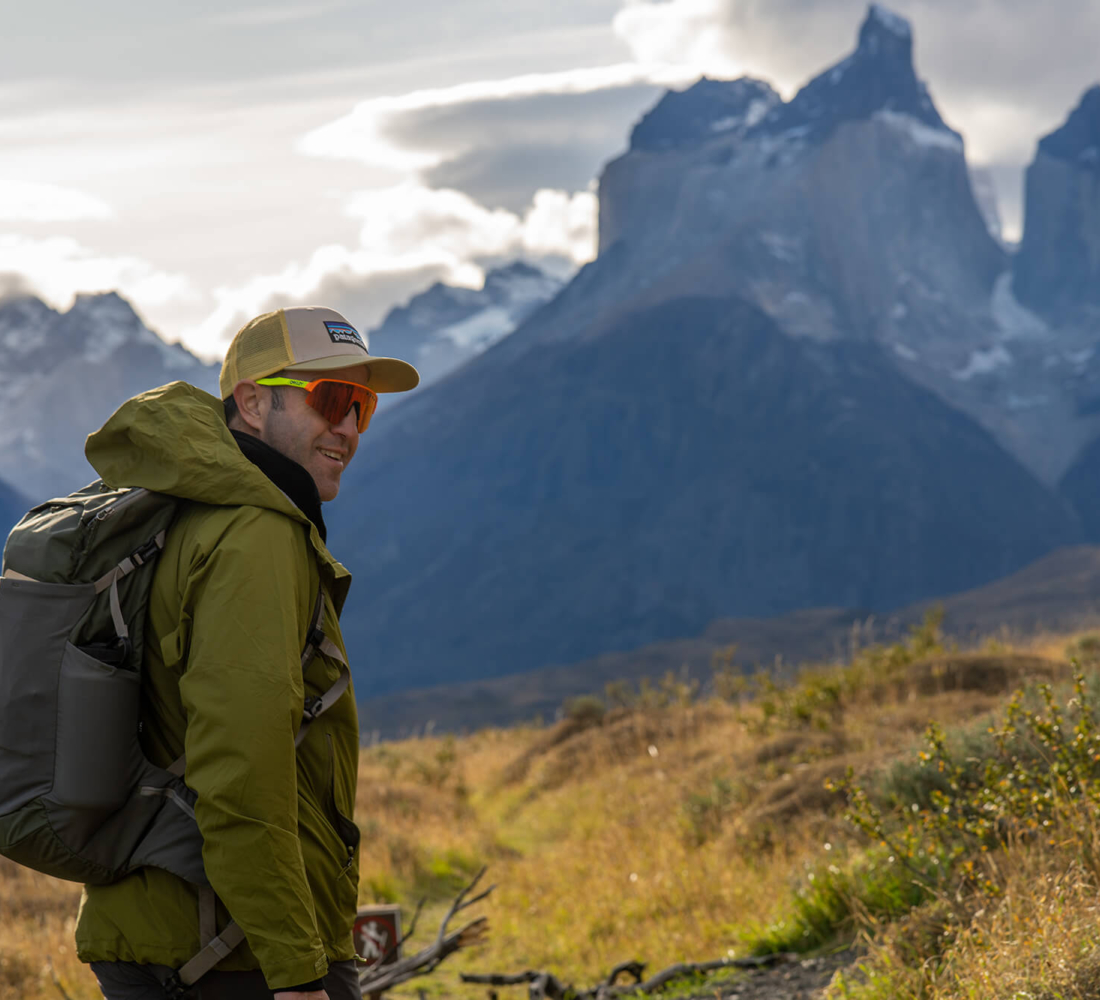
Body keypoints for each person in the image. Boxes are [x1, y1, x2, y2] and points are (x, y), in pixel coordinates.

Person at [74, 306, 419, 999]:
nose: (348, 429)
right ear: (254, 403)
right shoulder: (254, 536)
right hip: (227, 953)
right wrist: (296, 969)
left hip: (166, 927)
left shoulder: (191, 507)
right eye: (329, 399)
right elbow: (241, 773)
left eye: (362, 406)